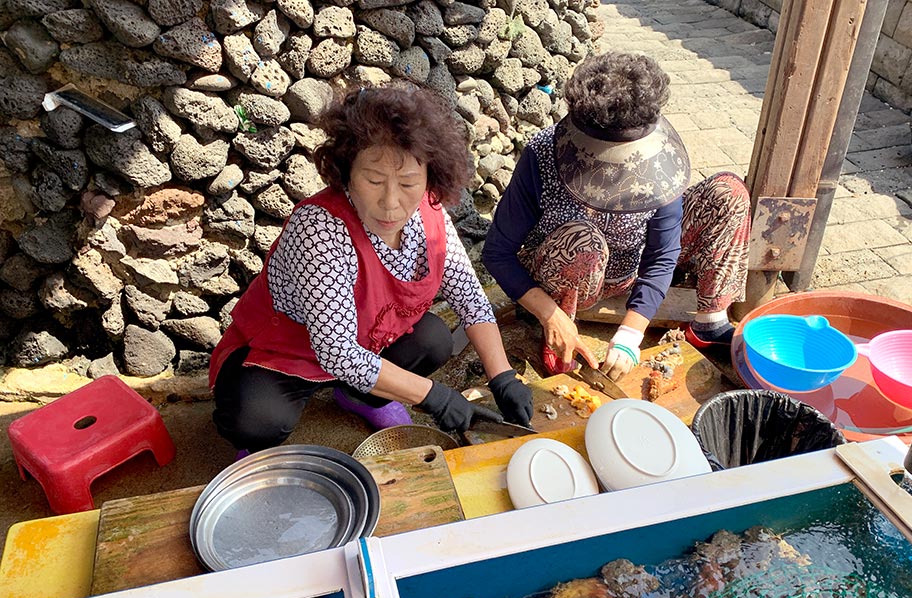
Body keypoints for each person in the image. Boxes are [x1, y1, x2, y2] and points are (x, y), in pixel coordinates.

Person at [209, 84, 533, 455]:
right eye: (373, 180)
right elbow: (339, 353)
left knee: (433, 339)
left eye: (409, 183)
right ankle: (255, 430)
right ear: (346, 172)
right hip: (287, 351)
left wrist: (503, 376)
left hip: (363, 342)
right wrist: (433, 397)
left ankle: (361, 398)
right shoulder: (320, 228)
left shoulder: (430, 210)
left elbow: (470, 299)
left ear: (431, 177)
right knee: (256, 420)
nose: (391, 203)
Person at [482, 51, 752, 380]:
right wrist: (550, 314)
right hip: (567, 271)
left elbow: (662, 254)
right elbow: (498, 253)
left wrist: (630, 334)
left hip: (630, 267)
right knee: (583, 240)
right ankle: (561, 334)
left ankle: (710, 323)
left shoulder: (659, 158)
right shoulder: (544, 153)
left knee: (728, 193)